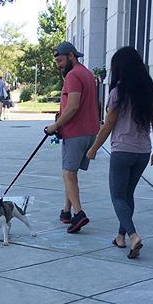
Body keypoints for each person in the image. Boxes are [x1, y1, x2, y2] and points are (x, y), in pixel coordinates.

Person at [86, 46, 153, 259]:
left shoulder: (117, 93)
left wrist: (93, 149)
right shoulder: (150, 92)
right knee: (128, 195)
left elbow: (108, 124)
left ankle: (133, 235)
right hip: (143, 152)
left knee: (118, 197)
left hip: (122, 151)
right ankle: (120, 237)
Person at [44, 41, 100, 233]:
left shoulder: (73, 75)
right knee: (70, 174)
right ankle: (66, 211)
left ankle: (79, 214)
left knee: (68, 174)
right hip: (90, 131)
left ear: (71, 56)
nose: (58, 65)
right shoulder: (87, 73)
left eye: (60, 60)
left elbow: (73, 106)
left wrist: (55, 126)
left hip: (76, 132)